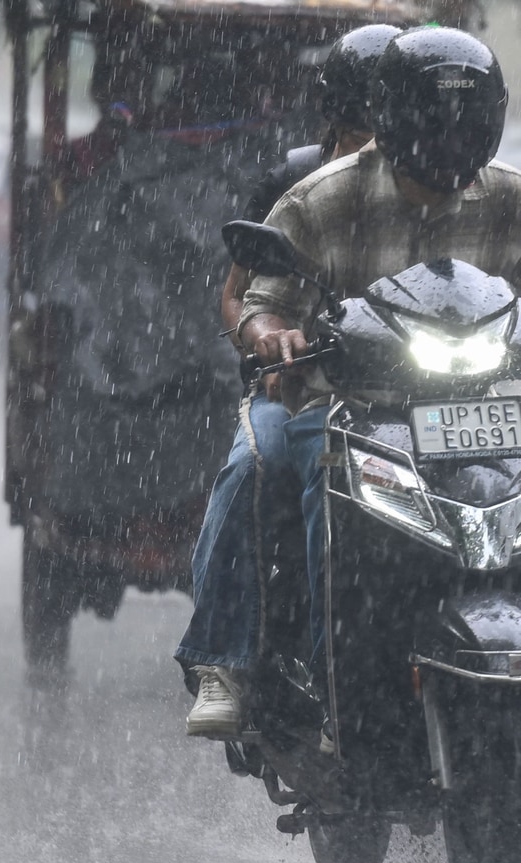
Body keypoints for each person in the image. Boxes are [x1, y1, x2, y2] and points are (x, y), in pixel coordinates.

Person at [179, 26, 521, 738]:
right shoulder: (320, 197)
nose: (449, 142)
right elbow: (257, 301)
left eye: (464, 124)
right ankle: (296, 671)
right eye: (433, 122)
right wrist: (272, 339)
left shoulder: (517, 198)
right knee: (261, 467)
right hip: (343, 402)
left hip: (474, 405)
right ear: (389, 119)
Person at [177, 23, 403, 729]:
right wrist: (268, 340)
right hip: (307, 388)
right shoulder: (293, 184)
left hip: (413, 396)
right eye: (371, 117)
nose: (380, 136)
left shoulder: (443, 182)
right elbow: (237, 291)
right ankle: (222, 659)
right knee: (254, 467)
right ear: (340, 112)